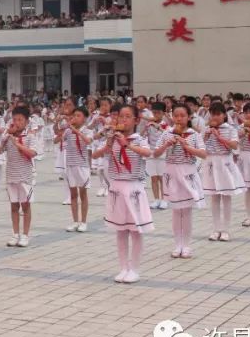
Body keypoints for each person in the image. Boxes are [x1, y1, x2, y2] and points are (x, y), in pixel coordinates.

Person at [93, 104, 153, 283]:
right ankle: (123, 268)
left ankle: (134, 268)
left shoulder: (138, 139)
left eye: (128, 117)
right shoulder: (113, 139)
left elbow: (148, 153)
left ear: (136, 120)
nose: (123, 120)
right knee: (120, 230)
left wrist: (128, 145)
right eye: (121, 117)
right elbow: (95, 155)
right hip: (117, 187)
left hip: (133, 187)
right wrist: (110, 143)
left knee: (135, 230)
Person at [153, 105, 206, 258]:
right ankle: (177, 244)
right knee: (176, 211)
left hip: (187, 172)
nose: (179, 119)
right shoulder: (166, 133)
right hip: (172, 173)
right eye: (176, 115)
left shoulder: (194, 135)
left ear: (188, 117)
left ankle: (187, 245)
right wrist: (166, 144)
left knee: (187, 211)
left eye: (182, 115)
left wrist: (186, 145)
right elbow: (155, 153)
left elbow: (203, 154)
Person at [201, 101, 244, 241]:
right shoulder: (206, 129)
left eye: (218, 114)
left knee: (226, 197)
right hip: (211, 163)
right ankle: (216, 229)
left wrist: (219, 136)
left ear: (224, 115)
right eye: (213, 114)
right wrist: (206, 135)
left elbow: (234, 145)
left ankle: (225, 229)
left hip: (225, 162)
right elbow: (200, 146)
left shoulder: (230, 129)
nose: (215, 117)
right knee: (214, 197)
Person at [0, 106, 37, 247]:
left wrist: (17, 144)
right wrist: (4, 140)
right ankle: (15, 234)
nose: (17, 122)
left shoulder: (30, 136)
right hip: (11, 176)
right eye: (14, 119)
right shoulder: (8, 137)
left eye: (20, 120)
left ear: (26, 121)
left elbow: (32, 153)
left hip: (25, 176)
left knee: (25, 206)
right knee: (14, 206)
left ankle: (25, 235)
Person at [60, 106, 94, 232]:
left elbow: (88, 141)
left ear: (84, 119)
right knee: (73, 194)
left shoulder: (87, 130)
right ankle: (75, 221)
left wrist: (77, 131)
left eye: (78, 116)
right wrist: (61, 124)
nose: (75, 118)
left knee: (83, 194)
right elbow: (56, 139)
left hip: (82, 166)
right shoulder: (68, 131)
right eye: (74, 116)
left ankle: (84, 222)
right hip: (70, 165)